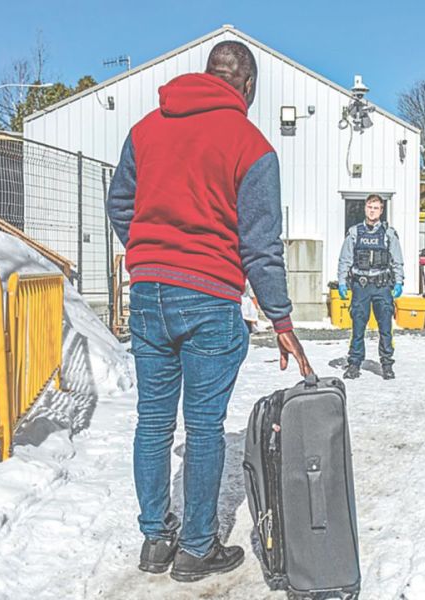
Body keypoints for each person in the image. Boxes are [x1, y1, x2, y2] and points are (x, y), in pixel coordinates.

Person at [107, 40, 312, 583]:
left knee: (152, 421)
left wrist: (149, 253)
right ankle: (196, 548)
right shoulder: (252, 145)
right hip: (209, 296)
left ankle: (155, 540)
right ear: (247, 87)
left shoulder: (146, 129)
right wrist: (282, 321)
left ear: (205, 75)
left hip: (148, 292)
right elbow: (260, 246)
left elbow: (119, 203)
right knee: (202, 427)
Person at [337, 194, 404, 380]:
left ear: (381, 210)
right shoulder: (355, 233)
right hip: (361, 286)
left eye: (376, 207)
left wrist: (399, 282)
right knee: (358, 327)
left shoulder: (389, 233)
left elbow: (397, 260)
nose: (372, 210)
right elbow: (345, 260)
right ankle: (354, 364)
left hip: (382, 286)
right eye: (369, 207)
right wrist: (342, 282)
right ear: (365, 208)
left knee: (385, 328)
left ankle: (387, 364)